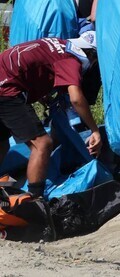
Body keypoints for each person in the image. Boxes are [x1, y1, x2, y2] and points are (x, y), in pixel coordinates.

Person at [0, 37, 101, 200]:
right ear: (92, 55)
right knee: (42, 143)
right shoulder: (71, 59)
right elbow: (76, 98)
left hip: (5, 78)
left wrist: (42, 96)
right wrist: (94, 130)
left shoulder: (58, 43)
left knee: (2, 143)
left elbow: (32, 64)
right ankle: (34, 201)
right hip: (6, 90)